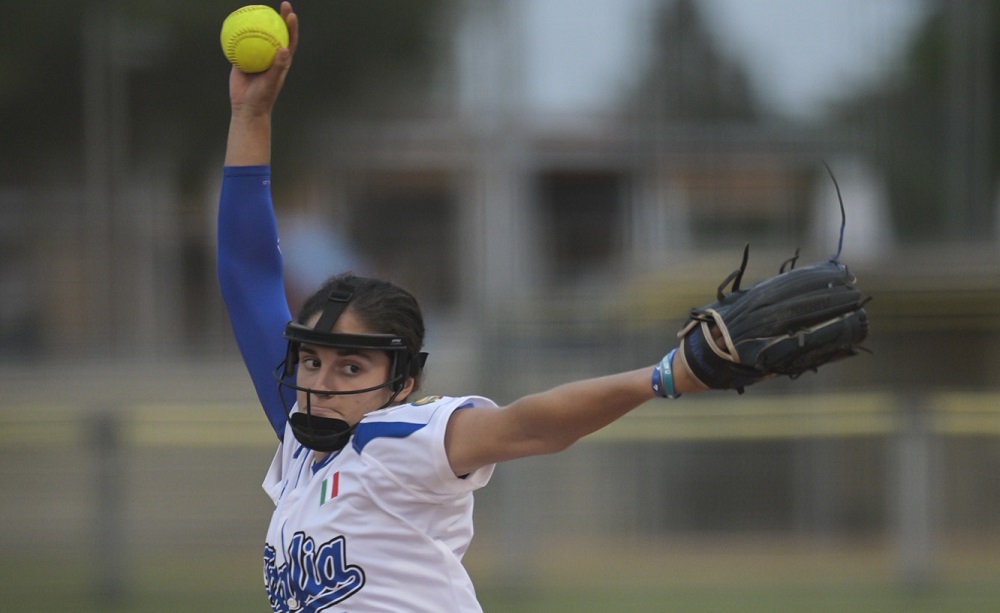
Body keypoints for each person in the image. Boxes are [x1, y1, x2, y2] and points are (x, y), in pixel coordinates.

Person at [218, 3, 710, 610]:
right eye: (313, 361)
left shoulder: (398, 439)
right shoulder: (300, 445)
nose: (320, 382)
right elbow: (248, 275)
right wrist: (251, 113)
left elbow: (529, 426)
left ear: (402, 382)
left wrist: (661, 377)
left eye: (352, 367)